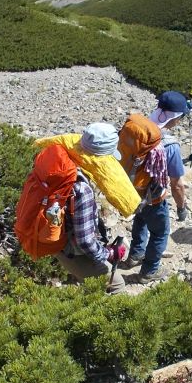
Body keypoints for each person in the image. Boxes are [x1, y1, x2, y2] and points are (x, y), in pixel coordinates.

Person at [52, 123, 128, 294]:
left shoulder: (65, 164)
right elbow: (85, 241)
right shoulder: (81, 189)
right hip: (71, 251)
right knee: (116, 285)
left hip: (57, 241)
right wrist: (108, 253)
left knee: (89, 284)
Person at [122, 91, 188, 284]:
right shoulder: (170, 145)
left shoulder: (139, 129)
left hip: (132, 189)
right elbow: (176, 185)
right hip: (154, 196)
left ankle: (135, 254)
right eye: (181, 117)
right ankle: (149, 271)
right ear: (175, 117)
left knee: (140, 219)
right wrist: (181, 207)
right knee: (160, 232)